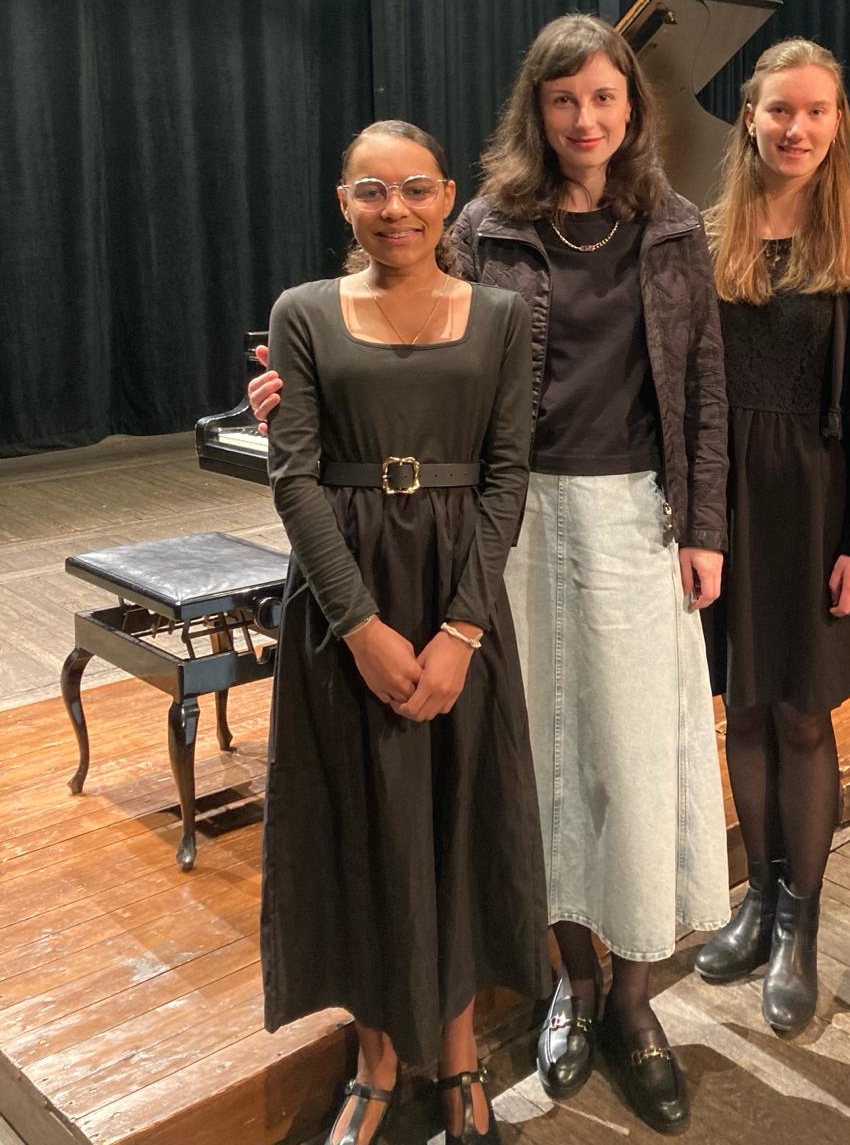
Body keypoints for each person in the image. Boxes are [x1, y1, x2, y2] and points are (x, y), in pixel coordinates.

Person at [251, 15, 730, 1136]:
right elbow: (400, 312)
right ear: (536, 110)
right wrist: (293, 390)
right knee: (525, 768)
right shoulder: (485, 225)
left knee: (629, 759)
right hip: (499, 525)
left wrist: (705, 523)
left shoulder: (674, 226)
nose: (585, 119)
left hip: (630, 514)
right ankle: (569, 982)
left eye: (604, 97)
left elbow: (703, 380)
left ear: (633, 106)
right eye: (564, 100)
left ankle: (633, 1002)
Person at [262, 120, 549, 1145]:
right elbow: (293, 474)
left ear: (448, 197)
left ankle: (461, 1054)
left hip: (458, 590)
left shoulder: (504, 314)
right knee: (363, 823)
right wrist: (361, 628)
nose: (397, 209)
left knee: (461, 819)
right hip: (347, 599)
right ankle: (377, 1059)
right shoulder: (302, 311)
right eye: (373, 191)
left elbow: (509, 473)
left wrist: (461, 628)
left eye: (416, 188)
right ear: (344, 202)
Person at [694, 38, 850, 1034]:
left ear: (837, 121)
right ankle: (756, 898)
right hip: (727, 499)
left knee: (806, 716)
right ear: (750, 116)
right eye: (781, 109)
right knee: (743, 708)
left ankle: (798, 924)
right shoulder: (707, 235)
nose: (797, 127)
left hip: (818, 502)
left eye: (817, 110)